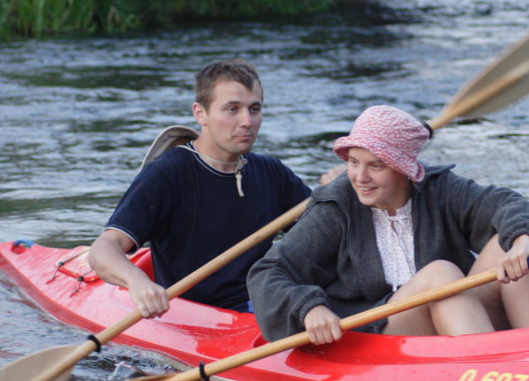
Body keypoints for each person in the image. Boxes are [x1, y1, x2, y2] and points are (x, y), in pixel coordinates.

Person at [247, 105, 529, 345]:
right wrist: (308, 308)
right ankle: (490, 373)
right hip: (378, 334)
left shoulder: (441, 188)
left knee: (516, 243)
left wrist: (522, 241)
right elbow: (268, 272)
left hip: (458, 315)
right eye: (353, 162)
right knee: (441, 273)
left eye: (376, 166)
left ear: (405, 169)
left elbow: (513, 206)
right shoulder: (336, 206)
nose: (359, 177)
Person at [88, 59, 340, 318]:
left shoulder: (271, 172)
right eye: (232, 109)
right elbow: (104, 248)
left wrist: (339, 193)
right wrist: (136, 281)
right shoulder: (166, 174)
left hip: (265, 301)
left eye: (254, 109)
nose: (247, 121)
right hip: (199, 316)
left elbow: (325, 240)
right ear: (200, 114)